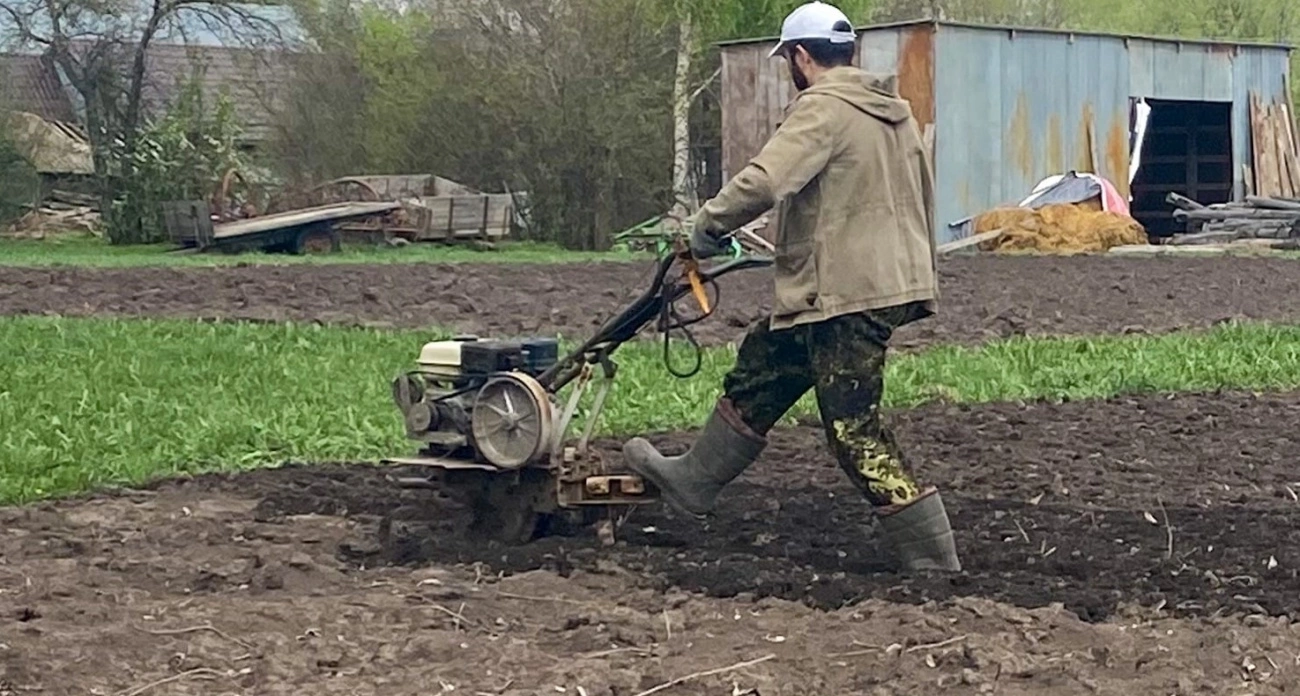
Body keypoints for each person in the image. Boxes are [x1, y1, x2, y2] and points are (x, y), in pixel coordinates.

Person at [622, 1, 961, 572]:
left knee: (853, 426)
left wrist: (706, 226)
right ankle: (695, 481)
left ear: (800, 58)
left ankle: (933, 559)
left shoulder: (824, 108)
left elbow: (764, 180)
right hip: (880, 281)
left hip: (848, 291)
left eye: (789, 61)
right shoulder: (892, 111)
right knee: (765, 362)